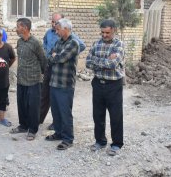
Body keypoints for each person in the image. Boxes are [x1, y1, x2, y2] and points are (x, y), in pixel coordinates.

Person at [85, 19, 125, 156]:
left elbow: (113, 64)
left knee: (116, 116)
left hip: (114, 85)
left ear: (113, 30)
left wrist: (98, 61)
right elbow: (88, 63)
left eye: (107, 32)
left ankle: (117, 144)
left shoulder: (119, 44)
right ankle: (100, 141)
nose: (104, 35)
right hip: (98, 83)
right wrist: (106, 60)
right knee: (98, 115)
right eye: (102, 32)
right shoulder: (96, 43)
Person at [40, 13, 86, 130]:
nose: (54, 26)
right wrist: (50, 54)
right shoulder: (50, 34)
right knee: (46, 95)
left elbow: (61, 57)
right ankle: (41, 119)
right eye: (53, 22)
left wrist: (66, 55)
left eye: (57, 24)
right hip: (51, 69)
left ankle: (62, 130)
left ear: (64, 27)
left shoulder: (72, 40)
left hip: (64, 74)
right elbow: (47, 48)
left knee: (63, 103)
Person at [45, 18, 80, 150]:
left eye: (58, 29)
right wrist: (54, 56)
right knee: (56, 111)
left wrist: (55, 56)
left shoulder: (73, 43)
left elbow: (60, 58)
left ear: (65, 29)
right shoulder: (59, 42)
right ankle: (58, 133)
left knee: (65, 112)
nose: (56, 31)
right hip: (54, 82)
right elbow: (50, 55)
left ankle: (68, 139)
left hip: (65, 84)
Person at [10, 18, 46, 140]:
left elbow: (43, 60)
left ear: (24, 28)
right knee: (22, 104)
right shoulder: (19, 42)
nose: (16, 28)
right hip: (21, 79)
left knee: (33, 106)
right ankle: (23, 125)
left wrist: (41, 74)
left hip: (34, 80)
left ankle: (32, 129)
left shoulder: (36, 42)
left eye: (17, 26)